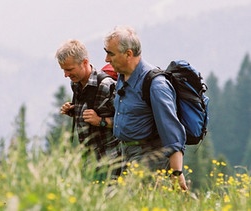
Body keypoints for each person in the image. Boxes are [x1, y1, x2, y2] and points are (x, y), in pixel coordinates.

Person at [103, 26, 188, 190]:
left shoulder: (156, 85)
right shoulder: (122, 76)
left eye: (111, 53)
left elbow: (172, 131)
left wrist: (177, 174)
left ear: (128, 54)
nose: (106, 59)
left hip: (148, 158)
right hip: (125, 156)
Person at [55, 39, 119, 173]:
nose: (66, 75)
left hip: (112, 161)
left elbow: (127, 121)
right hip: (90, 162)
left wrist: (100, 121)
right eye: (64, 70)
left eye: (69, 69)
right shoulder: (76, 84)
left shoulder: (107, 85)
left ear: (84, 62)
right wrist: (74, 111)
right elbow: (91, 112)